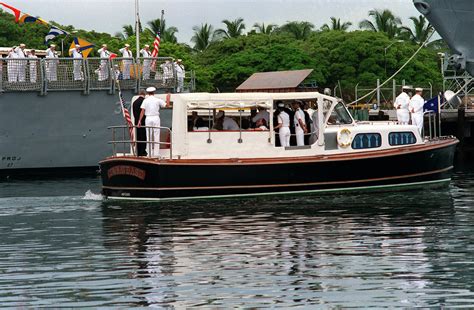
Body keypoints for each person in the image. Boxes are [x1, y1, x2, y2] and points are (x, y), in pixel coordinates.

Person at [138, 87, 168, 157]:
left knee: (148, 135)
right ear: (154, 92)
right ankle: (156, 153)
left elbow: (142, 111)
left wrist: (139, 121)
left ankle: (149, 153)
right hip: (156, 117)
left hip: (148, 118)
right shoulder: (157, 100)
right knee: (156, 135)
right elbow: (166, 105)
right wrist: (168, 98)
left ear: (148, 93)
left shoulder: (145, 101)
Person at [132, 90, 147, 156]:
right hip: (143, 122)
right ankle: (143, 152)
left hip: (136, 122)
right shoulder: (145, 101)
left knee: (138, 137)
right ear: (144, 94)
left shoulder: (134, 102)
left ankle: (138, 152)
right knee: (143, 137)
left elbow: (134, 113)